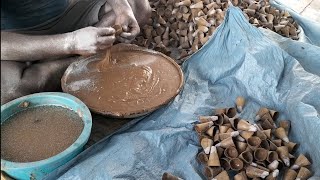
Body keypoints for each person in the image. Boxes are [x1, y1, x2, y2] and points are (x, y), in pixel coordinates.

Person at [1, 0, 151, 105]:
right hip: (18, 37)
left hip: (68, 15)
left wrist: (122, 8)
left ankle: (88, 50)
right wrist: (70, 43)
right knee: (11, 90)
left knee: (137, 7)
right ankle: (89, 56)